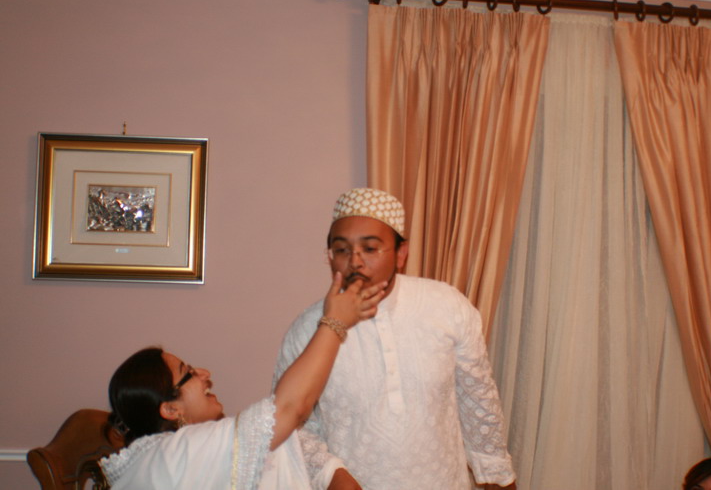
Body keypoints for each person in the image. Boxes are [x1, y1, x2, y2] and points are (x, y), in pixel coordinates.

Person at [274, 187, 517, 490]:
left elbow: (478, 401)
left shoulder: (447, 307)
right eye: (342, 250)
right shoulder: (307, 330)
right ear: (330, 257)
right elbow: (289, 424)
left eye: (370, 248)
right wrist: (329, 472)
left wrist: (498, 476)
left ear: (401, 254)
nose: (355, 262)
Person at [99, 272, 386, 490]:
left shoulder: (181, 450)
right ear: (170, 409)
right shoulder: (174, 456)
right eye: (189, 373)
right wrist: (334, 322)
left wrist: (330, 471)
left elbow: (284, 438)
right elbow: (289, 408)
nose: (205, 374)